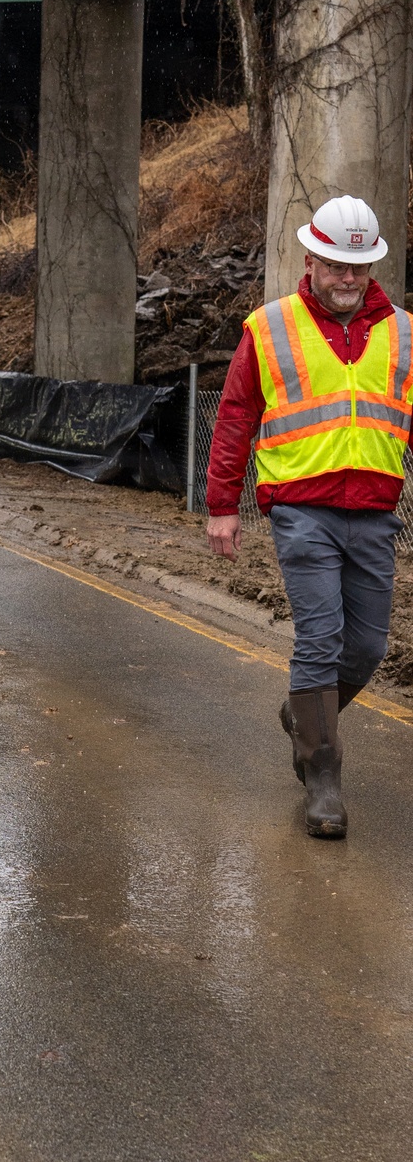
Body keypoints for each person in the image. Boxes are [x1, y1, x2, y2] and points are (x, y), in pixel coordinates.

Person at [206, 195, 412, 841]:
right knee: (320, 639)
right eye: (334, 266)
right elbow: (236, 414)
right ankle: (322, 775)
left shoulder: (404, 333)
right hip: (300, 512)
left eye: (358, 268)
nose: (346, 280)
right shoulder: (269, 328)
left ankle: (304, 712)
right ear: (311, 261)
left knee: (369, 646)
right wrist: (222, 506)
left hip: (376, 515)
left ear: (372, 268)